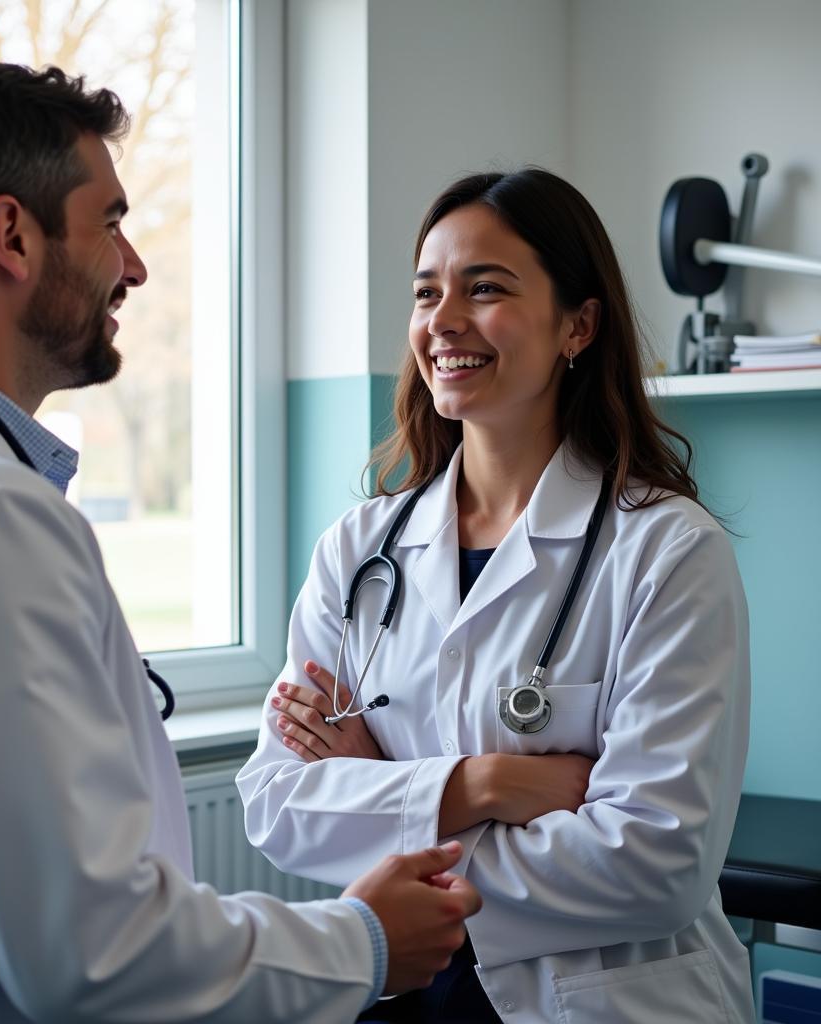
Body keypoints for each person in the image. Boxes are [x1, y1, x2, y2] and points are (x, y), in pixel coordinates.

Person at [0, 56, 482, 1024]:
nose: (135, 264)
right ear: (11, 236)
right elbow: (96, 955)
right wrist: (362, 941)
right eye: (110, 220)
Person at [237, 169, 756, 1023]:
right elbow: (278, 804)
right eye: (426, 292)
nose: (443, 321)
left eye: (485, 289)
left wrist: (385, 790)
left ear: (578, 326)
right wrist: (485, 783)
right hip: (405, 994)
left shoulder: (666, 550)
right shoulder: (361, 548)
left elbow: (658, 866)